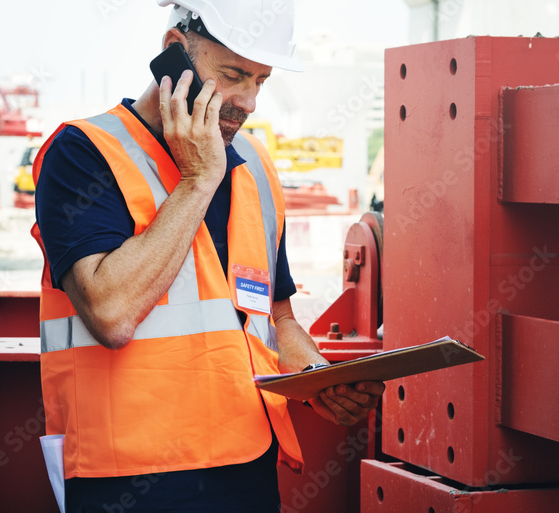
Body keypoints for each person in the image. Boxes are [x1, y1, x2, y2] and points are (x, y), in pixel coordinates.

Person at [31, 1, 384, 511]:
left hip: (245, 468)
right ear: (175, 52)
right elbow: (110, 313)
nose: (249, 100)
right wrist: (199, 179)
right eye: (234, 74)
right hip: (126, 479)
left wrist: (319, 380)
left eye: (261, 80)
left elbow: (272, 318)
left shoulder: (255, 167)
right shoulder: (84, 152)